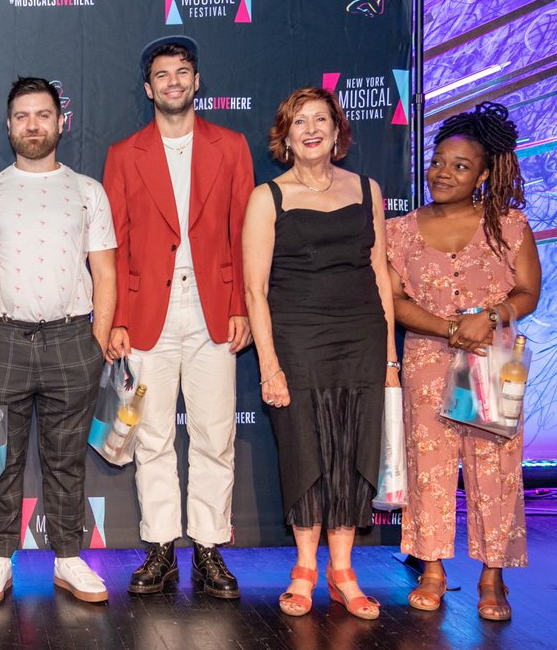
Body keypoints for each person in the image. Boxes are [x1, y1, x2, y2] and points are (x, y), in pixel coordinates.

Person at [102, 35, 252, 599]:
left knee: (215, 435)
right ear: (148, 88)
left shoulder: (231, 146)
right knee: (153, 436)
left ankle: (210, 547)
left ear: (196, 81)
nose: (173, 82)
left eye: (182, 72)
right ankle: (161, 546)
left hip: (213, 310)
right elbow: (113, 244)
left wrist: (239, 305)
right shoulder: (123, 154)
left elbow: (244, 233)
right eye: (162, 75)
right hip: (145, 314)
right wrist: (114, 316)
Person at [242, 87, 397, 620]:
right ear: (284, 136)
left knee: (353, 450)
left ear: (337, 130)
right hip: (297, 337)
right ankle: (305, 569)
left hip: (362, 336)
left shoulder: (368, 190)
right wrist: (269, 364)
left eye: (320, 119)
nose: (310, 128)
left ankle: (344, 570)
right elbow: (254, 291)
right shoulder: (269, 197)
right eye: (298, 121)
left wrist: (391, 361)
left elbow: (381, 275)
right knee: (307, 450)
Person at [0, 76, 117, 605]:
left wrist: (96, 340)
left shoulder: (87, 190)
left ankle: (69, 558)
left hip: (73, 338)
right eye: (23, 116)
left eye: (43, 115)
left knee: (67, 456)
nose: (33, 124)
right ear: (9, 126)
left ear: (60, 121)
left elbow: (106, 273)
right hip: (0, 338)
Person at [387, 102, 540, 621]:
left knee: (494, 468)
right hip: (428, 360)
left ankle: (492, 577)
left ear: (483, 173)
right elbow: (396, 303)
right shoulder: (400, 230)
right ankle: (431, 568)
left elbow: (528, 292)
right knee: (429, 469)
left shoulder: (508, 224)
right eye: (438, 161)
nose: (442, 173)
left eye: (459, 165)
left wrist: (491, 315)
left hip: (492, 361)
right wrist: (451, 327)